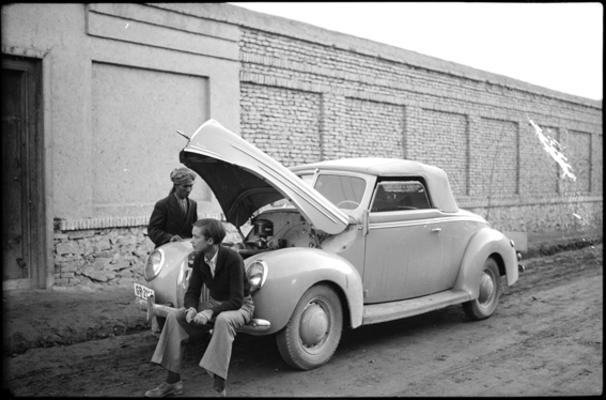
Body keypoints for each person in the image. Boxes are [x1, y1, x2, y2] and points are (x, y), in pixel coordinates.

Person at [145, 218, 254, 397]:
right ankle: (173, 382)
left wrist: (209, 311)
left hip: (241, 306)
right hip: (214, 304)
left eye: (196, 237)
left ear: (210, 240)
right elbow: (192, 292)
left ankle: (219, 388)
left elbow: (236, 299)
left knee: (223, 320)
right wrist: (191, 309)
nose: (192, 240)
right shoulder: (199, 258)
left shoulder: (233, 258)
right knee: (174, 317)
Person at [148, 167, 198, 248]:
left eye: (191, 186)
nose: (188, 190)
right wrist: (170, 238)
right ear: (176, 186)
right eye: (185, 186)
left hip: (186, 250)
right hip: (167, 249)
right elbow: (153, 230)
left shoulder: (193, 204)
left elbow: (194, 228)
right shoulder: (163, 205)